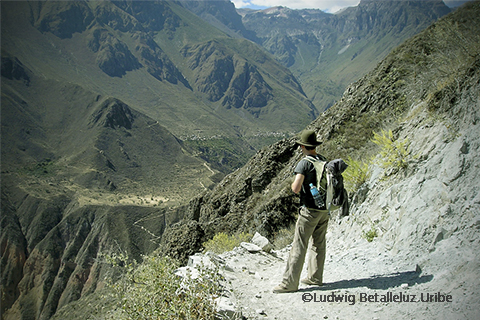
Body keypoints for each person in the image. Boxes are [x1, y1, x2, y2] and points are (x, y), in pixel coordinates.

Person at [273, 129, 329, 293]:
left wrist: (293, 184)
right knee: (319, 244)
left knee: (299, 245)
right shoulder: (323, 160)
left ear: (303, 146)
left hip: (309, 210)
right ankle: (315, 277)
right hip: (324, 209)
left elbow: (296, 188)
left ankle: (289, 284)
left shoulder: (304, 163)